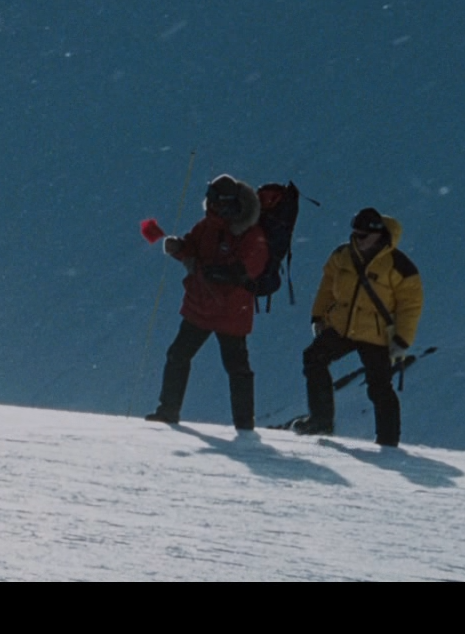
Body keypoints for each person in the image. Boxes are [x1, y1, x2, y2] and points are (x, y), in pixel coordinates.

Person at [145, 175, 268, 431]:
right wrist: (179, 248)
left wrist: (211, 269)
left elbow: (248, 268)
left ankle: (243, 424)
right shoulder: (210, 226)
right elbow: (193, 248)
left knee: (234, 368)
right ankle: (170, 411)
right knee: (182, 356)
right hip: (208, 307)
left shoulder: (248, 232)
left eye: (215, 200)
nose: (210, 205)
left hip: (226, 310)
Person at [293, 207, 423, 446]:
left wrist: (402, 339)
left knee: (379, 386)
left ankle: (388, 441)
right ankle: (321, 422)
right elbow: (327, 285)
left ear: (378, 234)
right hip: (342, 327)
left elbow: (410, 306)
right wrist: (318, 316)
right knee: (313, 358)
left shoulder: (400, 267)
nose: (357, 238)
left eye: (363, 235)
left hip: (376, 335)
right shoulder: (342, 255)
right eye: (355, 233)